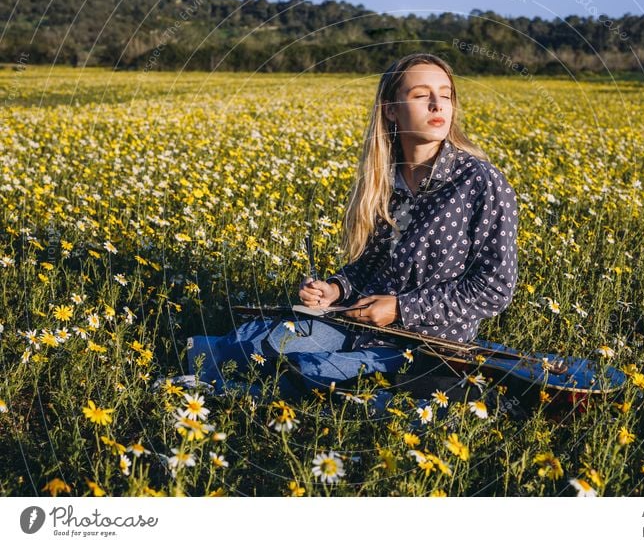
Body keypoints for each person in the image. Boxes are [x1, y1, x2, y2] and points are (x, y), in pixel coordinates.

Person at [186, 52, 519, 400]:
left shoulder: (480, 181)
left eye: (446, 95)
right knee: (251, 341)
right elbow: (371, 268)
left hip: (423, 347)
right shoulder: (387, 180)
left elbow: (494, 289)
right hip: (357, 326)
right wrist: (336, 289)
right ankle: (219, 375)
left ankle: (219, 391)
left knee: (309, 375)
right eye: (421, 95)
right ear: (391, 109)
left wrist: (401, 308)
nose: (437, 105)